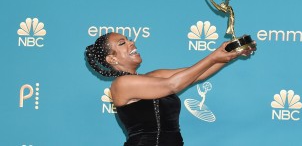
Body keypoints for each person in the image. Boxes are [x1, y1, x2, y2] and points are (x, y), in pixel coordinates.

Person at [85, 32, 256, 146]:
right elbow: (173, 85)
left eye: (129, 39)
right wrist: (213, 57)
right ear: (111, 59)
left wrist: (233, 52)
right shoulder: (121, 84)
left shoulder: (154, 75)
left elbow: (197, 74)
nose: (132, 42)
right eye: (122, 43)